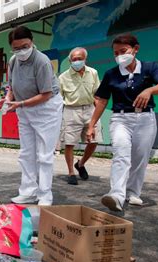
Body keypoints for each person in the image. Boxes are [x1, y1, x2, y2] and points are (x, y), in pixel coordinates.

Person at [87, 34, 158, 211]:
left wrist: (149, 90)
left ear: (135, 49)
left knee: (140, 157)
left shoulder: (149, 68)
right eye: (116, 53)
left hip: (145, 119)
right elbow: (101, 101)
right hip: (120, 119)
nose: (119, 56)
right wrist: (91, 124)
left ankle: (133, 192)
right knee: (121, 155)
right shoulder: (111, 74)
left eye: (123, 51)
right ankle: (116, 194)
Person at [0, 26, 63, 206]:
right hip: (24, 107)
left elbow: (46, 94)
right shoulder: (13, 61)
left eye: (24, 46)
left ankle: (44, 194)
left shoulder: (41, 61)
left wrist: (20, 104)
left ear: (32, 42)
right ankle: (27, 191)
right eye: (16, 48)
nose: (21, 51)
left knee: (44, 154)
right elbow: (11, 86)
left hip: (46, 108)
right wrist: (7, 100)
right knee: (26, 152)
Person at [59, 47, 102, 185]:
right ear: (70, 60)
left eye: (80, 59)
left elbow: (97, 94)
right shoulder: (63, 77)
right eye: (74, 59)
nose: (77, 61)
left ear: (85, 59)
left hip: (90, 109)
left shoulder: (93, 73)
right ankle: (71, 172)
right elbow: (58, 99)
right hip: (71, 110)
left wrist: (97, 113)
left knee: (94, 141)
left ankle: (81, 164)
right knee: (69, 143)